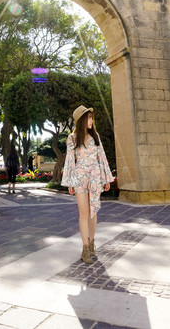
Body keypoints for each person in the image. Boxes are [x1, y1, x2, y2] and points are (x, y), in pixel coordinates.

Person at [62, 105, 114, 264]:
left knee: (93, 212)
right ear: (82, 120)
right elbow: (70, 161)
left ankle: (92, 244)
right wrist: (70, 181)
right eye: (89, 118)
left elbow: (102, 158)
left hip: (95, 177)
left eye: (92, 117)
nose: (92, 120)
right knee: (83, 213)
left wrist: (106, 179)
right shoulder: (72, 139)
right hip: (79, 178)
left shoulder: (96, 136)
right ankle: (85, 249)